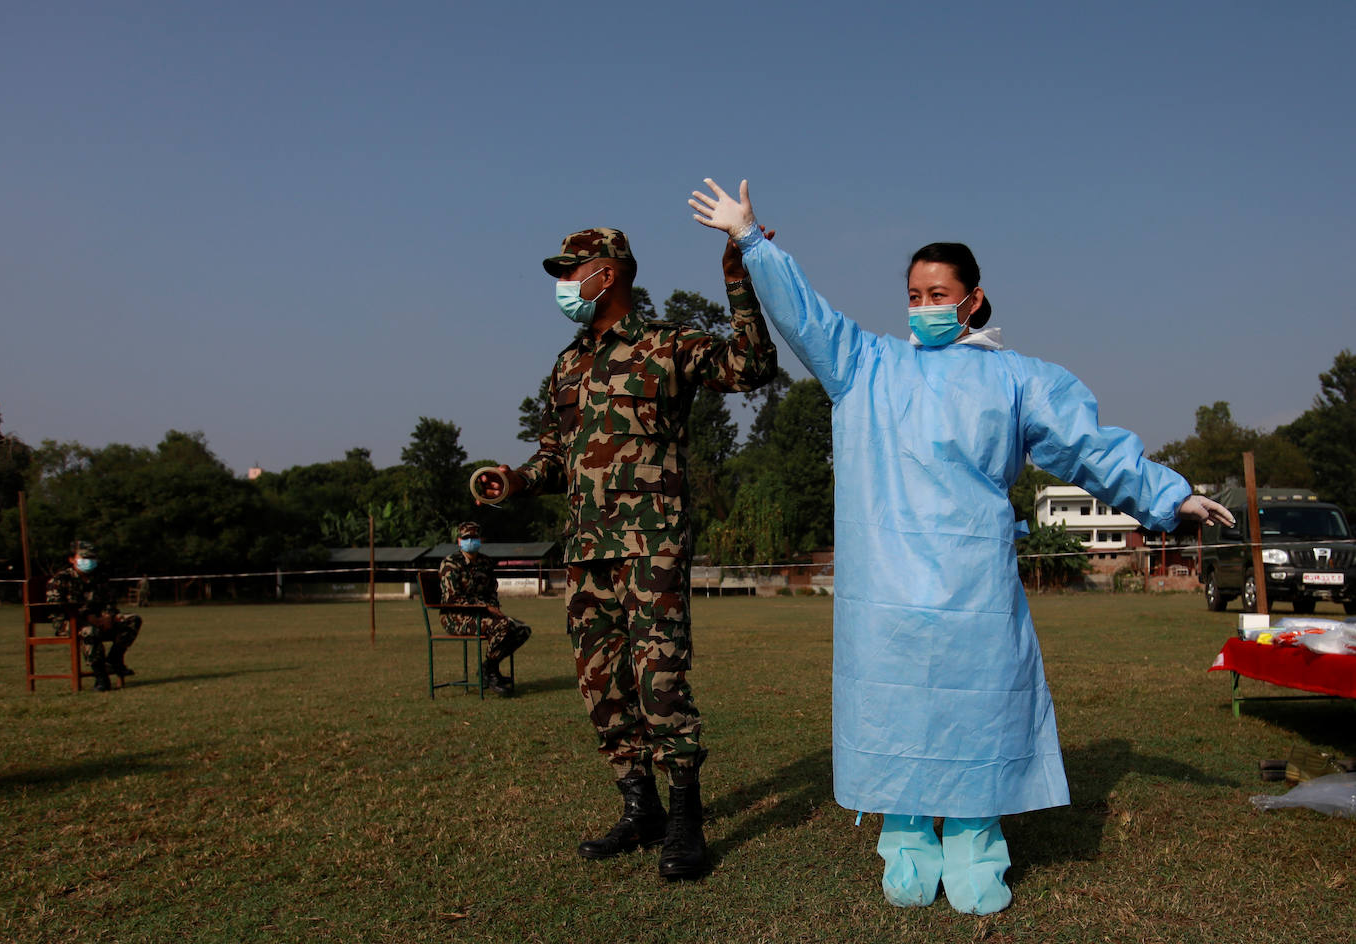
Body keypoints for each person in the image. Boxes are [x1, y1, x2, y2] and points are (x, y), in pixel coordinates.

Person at [689, 179, 1234, 914]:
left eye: (938, 294)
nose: (923, 307)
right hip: (885, 593)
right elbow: (805, 316)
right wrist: (752, 241)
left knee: (979, 715)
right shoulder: (865, 365)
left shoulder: (1016, 380)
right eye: (913, 295)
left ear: (972, 300)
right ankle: (907, 841)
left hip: (973, 584)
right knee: (895, 715)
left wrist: (1170, 496)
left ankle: (977, 845)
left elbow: (1089, 447)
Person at [474, 227, 778, 880]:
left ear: (606, 273)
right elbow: (556, 456)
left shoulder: (667, 344)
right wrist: (518, 479)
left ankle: (685, 816)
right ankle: (639, 807)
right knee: (601, 685)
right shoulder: (567, 364)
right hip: (586, 549)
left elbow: (751, 366)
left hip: (651, 544)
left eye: (570, 271)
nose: (563, 285)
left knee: (659, 680)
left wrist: (737, 279)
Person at [435, 521, 531, 697]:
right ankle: (490, 673)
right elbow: (452, 598)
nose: (471, 541)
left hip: (483, 616)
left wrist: (493, 607)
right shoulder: (451, 564)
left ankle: (488, 667)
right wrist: (484, 606)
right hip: (455, 617)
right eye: (466, 538)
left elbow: (491, 591)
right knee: (503, 627)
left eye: (474, 537)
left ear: (480, 540)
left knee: (521, 629)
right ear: (459, 541)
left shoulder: (485, 563)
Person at [46, 540, 143, 692]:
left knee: (132, 620)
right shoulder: (61, 579)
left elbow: (110, 601)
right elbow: (56, 605)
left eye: (92, 558)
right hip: (71, 621)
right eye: (84, 557)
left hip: (100, 619)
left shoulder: (100, 578)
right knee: (90, 631)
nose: (89, 561)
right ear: (72, 559)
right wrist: (86, 616)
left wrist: (108, 616)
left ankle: (114, 660)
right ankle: (101, 677)